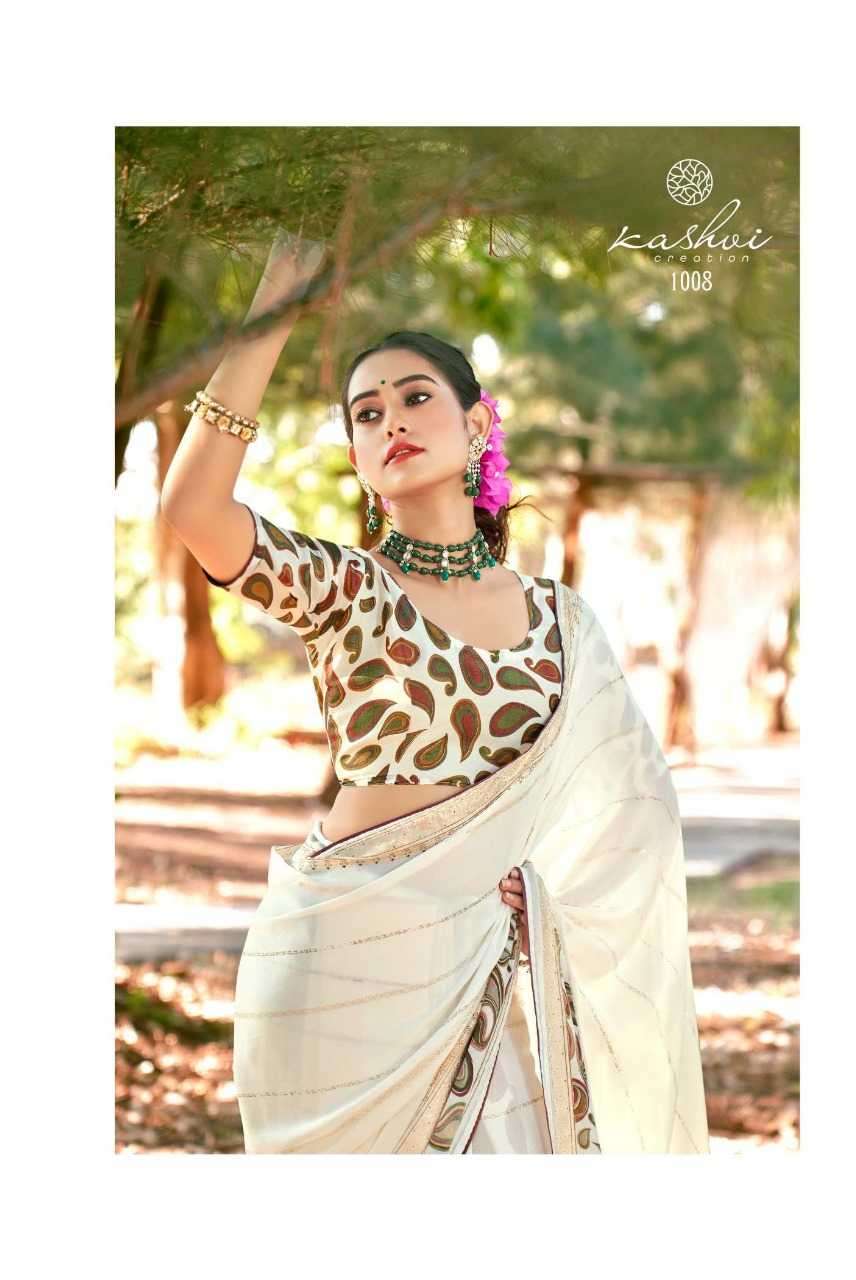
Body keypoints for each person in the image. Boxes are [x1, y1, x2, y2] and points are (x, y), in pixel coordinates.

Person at [162, 229, 709, 1155]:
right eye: (366, 413)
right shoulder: (346, 588)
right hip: (339, 964)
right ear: (356, 457)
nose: (392, 422)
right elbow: (193, 511)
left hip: (482, 967)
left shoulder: (560, 622)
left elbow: (633, 809)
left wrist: (542, 884)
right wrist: (275, 305)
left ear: (478, 426)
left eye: (416, 398)